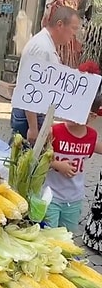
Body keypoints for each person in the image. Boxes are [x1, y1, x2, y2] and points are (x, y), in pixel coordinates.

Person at [10, 6, 81, 144]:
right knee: (23, 158)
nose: (74, 34)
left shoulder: (46, 44)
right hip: (31, 115)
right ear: (60, 24)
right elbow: (30, 88)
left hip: (36, 114)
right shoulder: (42, 48)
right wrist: (33, 127)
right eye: (73, 28)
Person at [44, 67, 102, 233]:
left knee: (67, 237)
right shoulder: (54, 131)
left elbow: (98, 147)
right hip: (51, 195)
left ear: (92, 116)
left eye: (79, 109)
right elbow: (38, 159)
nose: (72, 113)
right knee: (49, 236)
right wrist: (57, 164)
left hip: (74, 199)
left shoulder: (91, 136)